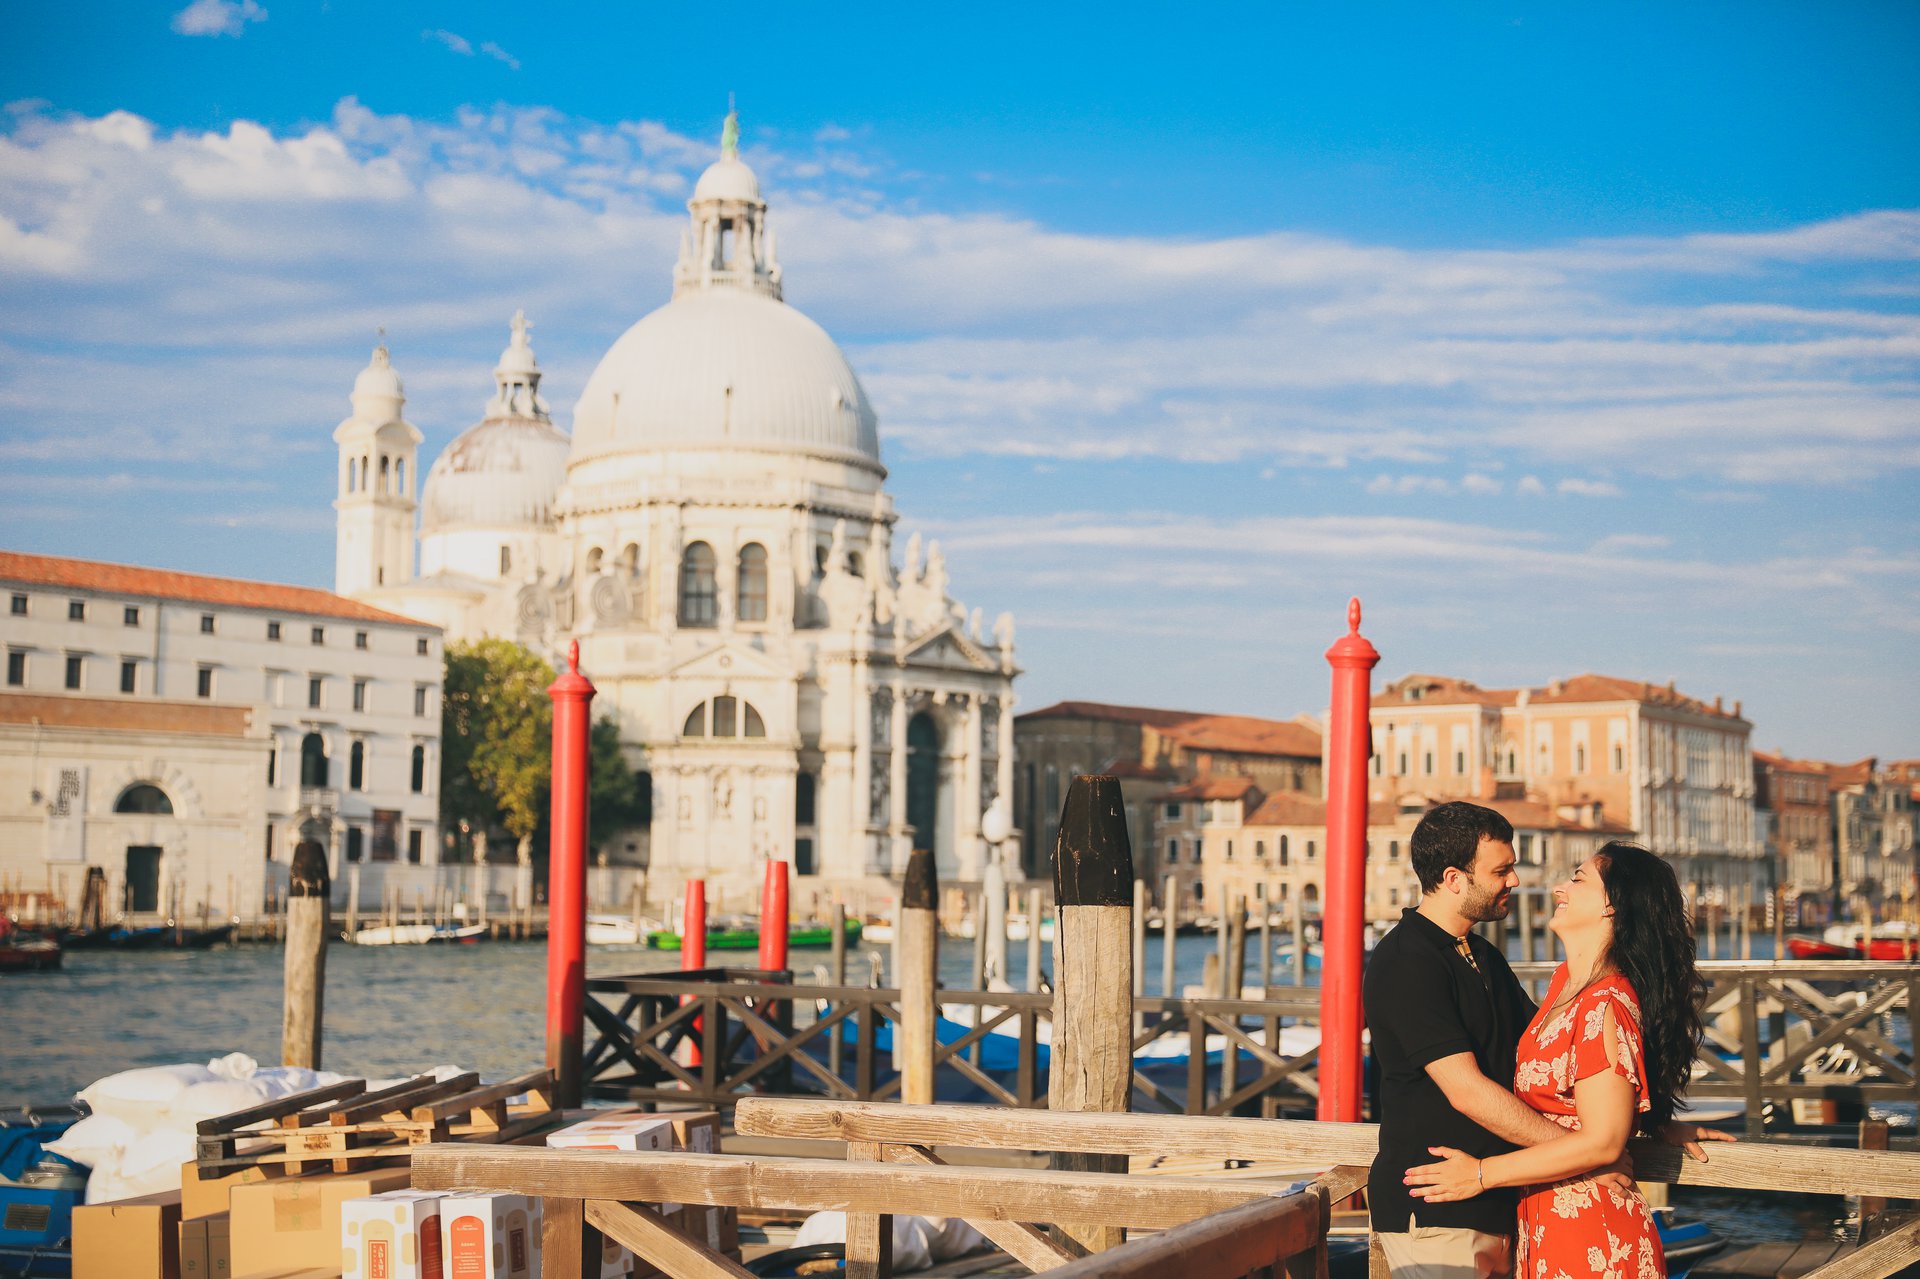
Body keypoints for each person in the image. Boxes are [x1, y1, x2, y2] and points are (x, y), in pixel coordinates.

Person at [1365, 805, 1725, 1279]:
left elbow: (1561, 1065)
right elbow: (1465, 1089)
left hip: (1504, 1205)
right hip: (1439, 1202)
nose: (1515, 880)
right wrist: (1595, 1154)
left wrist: (1640, 1128)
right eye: (1501, 870)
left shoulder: (1486, 959)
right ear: (1454, 879)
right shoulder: (1407, 960)